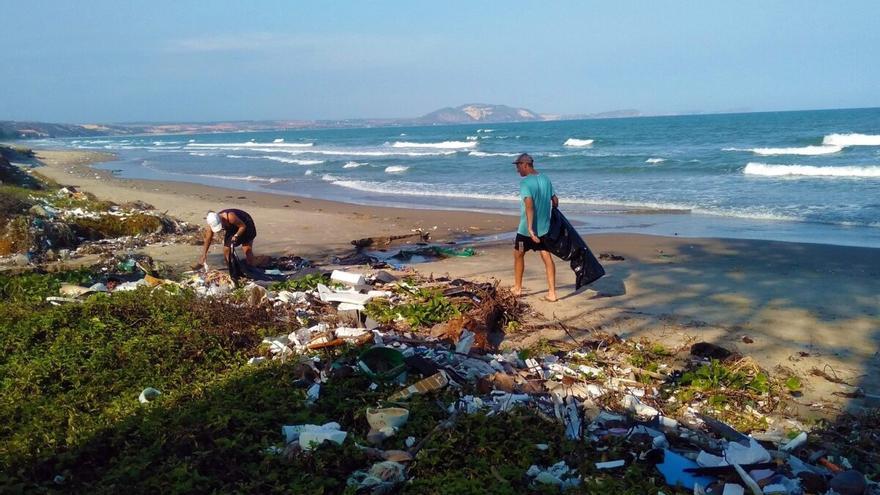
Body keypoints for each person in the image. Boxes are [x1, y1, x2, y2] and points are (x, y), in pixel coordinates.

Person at [512, 153, 559, 302]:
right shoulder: (545, 178)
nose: (517, 169)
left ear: (525, 165)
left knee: (518, 254)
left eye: (518, 166)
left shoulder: (525, 183)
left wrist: (531, 229)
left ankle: (518, 288)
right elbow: (555, 201)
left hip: (526, 230)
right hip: (544, 228)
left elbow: (529, 205)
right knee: (546, 255)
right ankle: (552, 293)